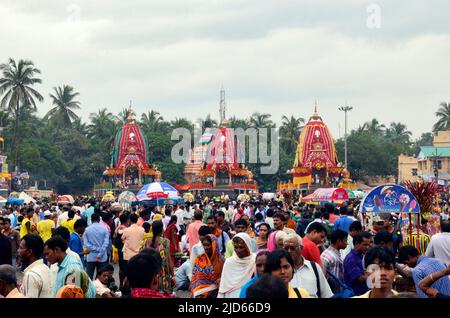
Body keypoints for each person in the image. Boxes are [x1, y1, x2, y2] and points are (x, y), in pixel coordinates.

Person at [283, 233, 333, 298]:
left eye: (292, 248)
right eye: (286, 248)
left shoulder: (314, 267)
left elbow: (326, 294)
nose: (289, 251)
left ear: (301, 248)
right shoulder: (282, 271)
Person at [218, 233, 256, 298]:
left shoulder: (255, 260)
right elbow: (224, 286)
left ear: (248, 245)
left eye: (241, 247)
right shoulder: (229, 262)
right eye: (236, 247)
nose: (238, 250)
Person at [144, 220, 174, 293]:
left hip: (149, 274)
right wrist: (173, 275)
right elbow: (168, 260)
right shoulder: (165, 242)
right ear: (162, 230)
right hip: (162, 274)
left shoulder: (147, 241)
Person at [343, 231, 372, 296]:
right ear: (356, 244)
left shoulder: (361, 256)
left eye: (368, 245)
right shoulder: (351, 259)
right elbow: (360, 279)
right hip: (355, 293)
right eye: (365, 245)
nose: (367, 247)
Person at [83, 213, 110, 279]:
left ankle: (89, 289)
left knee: (89, 277)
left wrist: (94, 248)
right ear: (99, 220)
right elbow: (106, 243)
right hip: (102, 256)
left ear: (91, 220)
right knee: (101, 277)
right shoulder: (104, 229)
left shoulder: (87, 230)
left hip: (91, 256)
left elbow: (86, 243)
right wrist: (100, 252)